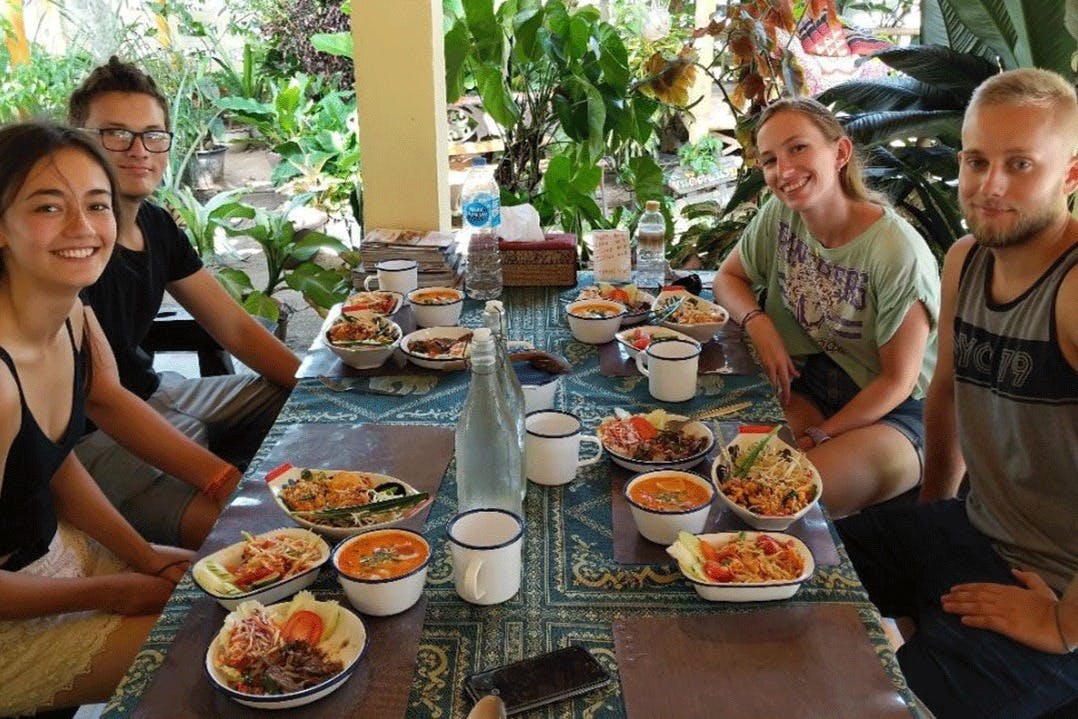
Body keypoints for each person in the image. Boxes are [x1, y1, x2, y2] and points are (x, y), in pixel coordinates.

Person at [837, 67, 1078, 719]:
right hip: (973, 527)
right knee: (793, 563)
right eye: (977, 160)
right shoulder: (966, 259)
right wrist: (928, 521)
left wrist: (1065, 624)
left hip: (1053, 587)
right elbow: (943, 393)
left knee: (875, 705)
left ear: (1072, 174)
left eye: (1020, 164)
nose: (990, 185)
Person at [0, 121, 196, 716]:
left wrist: (144, 554)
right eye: (48, 206)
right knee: (208, 651)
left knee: (237, 588)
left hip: (56, 558)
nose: (83, 229)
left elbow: (54, 467)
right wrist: (115, 588)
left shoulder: (73, 318)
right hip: (11, 620)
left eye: (97, 204)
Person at [67, 57, 300, 548]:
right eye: (115, 134)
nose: (138, 150)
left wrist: (321, 389)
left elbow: (233, 328)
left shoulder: (154, 224)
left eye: (153, 135)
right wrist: (218, 479)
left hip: (159, 392)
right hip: (89, 438)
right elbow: (100, 396)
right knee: (253, 538)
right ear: (75, 141)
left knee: (304, 400)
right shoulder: (72, 244)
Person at [712, 97, 939, 517]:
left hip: (898, 410)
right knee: (727, 468)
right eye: (769, 160)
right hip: (814, 385)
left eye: (798, 148)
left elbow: (897, 381)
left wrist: (822, 433)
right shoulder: (779, 216)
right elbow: (728, 278)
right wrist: (759, 323)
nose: (784, 171)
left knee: (784, 499)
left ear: (840, 152)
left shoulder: (895, 250)